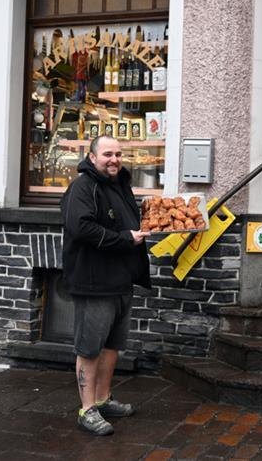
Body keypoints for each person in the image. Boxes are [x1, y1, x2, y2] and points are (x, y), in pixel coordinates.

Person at [60, 135, 151, 436]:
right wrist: (126, 238)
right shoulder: (82, 187)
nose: (114, 159)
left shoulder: (120, 185)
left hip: (121, 280)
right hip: (94, 281)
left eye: (118, 154)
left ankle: (102, 399)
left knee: (113, 346)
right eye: (108, 154)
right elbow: (81, 227)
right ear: (92, 157)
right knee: (89, 348)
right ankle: (87, 410)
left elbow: (128, 223)